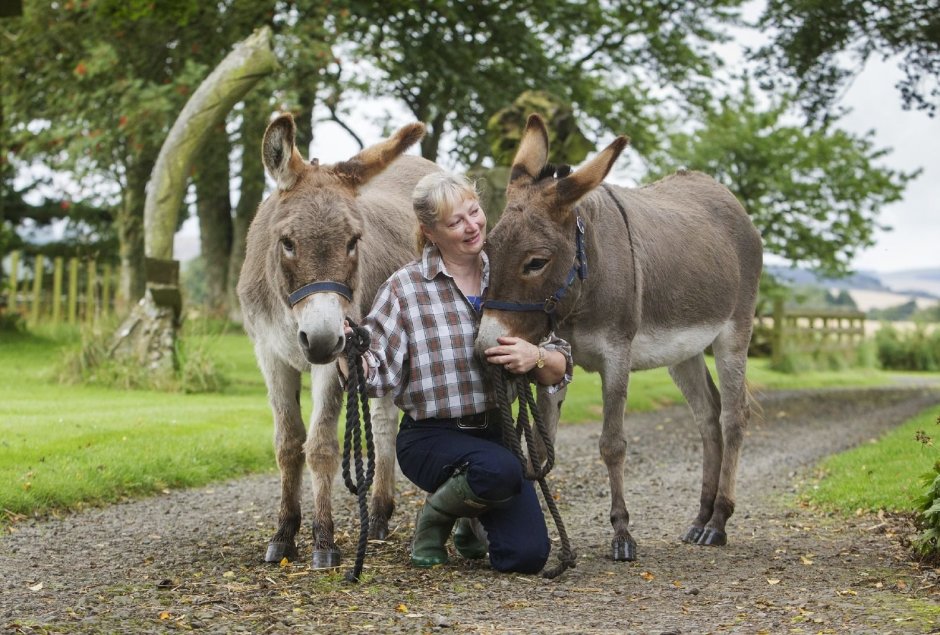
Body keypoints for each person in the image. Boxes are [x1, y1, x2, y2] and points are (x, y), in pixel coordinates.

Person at [338, 171, 573, 574]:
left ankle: (467, 513)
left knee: (526, 556)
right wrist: (347, 348)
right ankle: (434, 516)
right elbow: (376, 375)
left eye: (474, 212)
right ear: (430, 232)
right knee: (500, 469)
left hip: (496, 435)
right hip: (431, 439)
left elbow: (559, 363)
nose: (472, 226)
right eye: (455, 222)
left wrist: (535, 356)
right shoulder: (405, 289)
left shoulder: (511, 271)